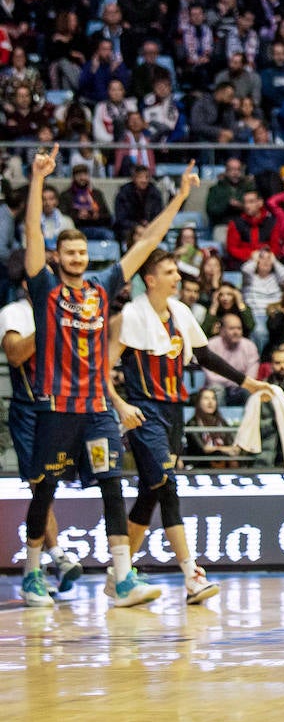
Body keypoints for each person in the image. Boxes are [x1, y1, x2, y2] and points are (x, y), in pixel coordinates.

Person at [22, 150, 199, 609]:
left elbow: (148, 242)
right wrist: (39, 179)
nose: (77, 257)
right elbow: (32, 236)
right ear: (58, 258)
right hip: (57, 408)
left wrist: (180, 196)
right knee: (45, 489)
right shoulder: (45, 289)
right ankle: (32, 572)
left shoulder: (103, 287)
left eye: (82, 251)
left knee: (112, 484)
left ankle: (122, 578)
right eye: (70, 252)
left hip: (97, 410)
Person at [108, 248, 270, 605]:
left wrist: (248, 383)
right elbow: (103, 369)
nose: (177, 278)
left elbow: (205, 356)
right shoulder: (132, 315)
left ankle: (118, 576)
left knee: (151, 492)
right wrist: (120, 405)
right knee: (168, 486)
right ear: (150, 279)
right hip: (145, 411)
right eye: (169, 272)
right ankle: (192, 575)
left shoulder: (180, 312)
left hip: (175, 412)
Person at [1, 294, 86, 600]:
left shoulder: (66, 314)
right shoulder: (15, 312)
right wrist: (47, 327)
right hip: (28, 412)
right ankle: (43, 565)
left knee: (47, 488)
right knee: (40, 487)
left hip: (59, 408)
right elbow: (14, 354)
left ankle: (54, 559)